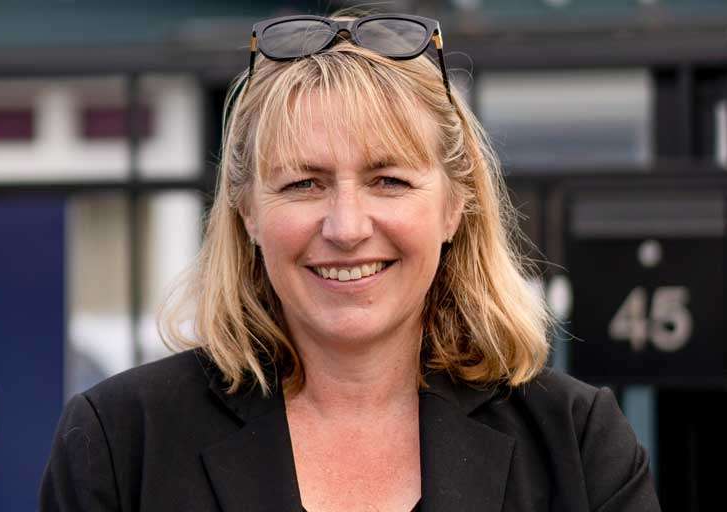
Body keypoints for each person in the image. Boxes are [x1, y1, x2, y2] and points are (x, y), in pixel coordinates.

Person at [40, 12, 662, 512]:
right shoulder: (120, 441)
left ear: (454, 208)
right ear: (247, 213)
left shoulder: (578, 444)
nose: (346, 228)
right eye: (304, 184)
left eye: (388, 180)